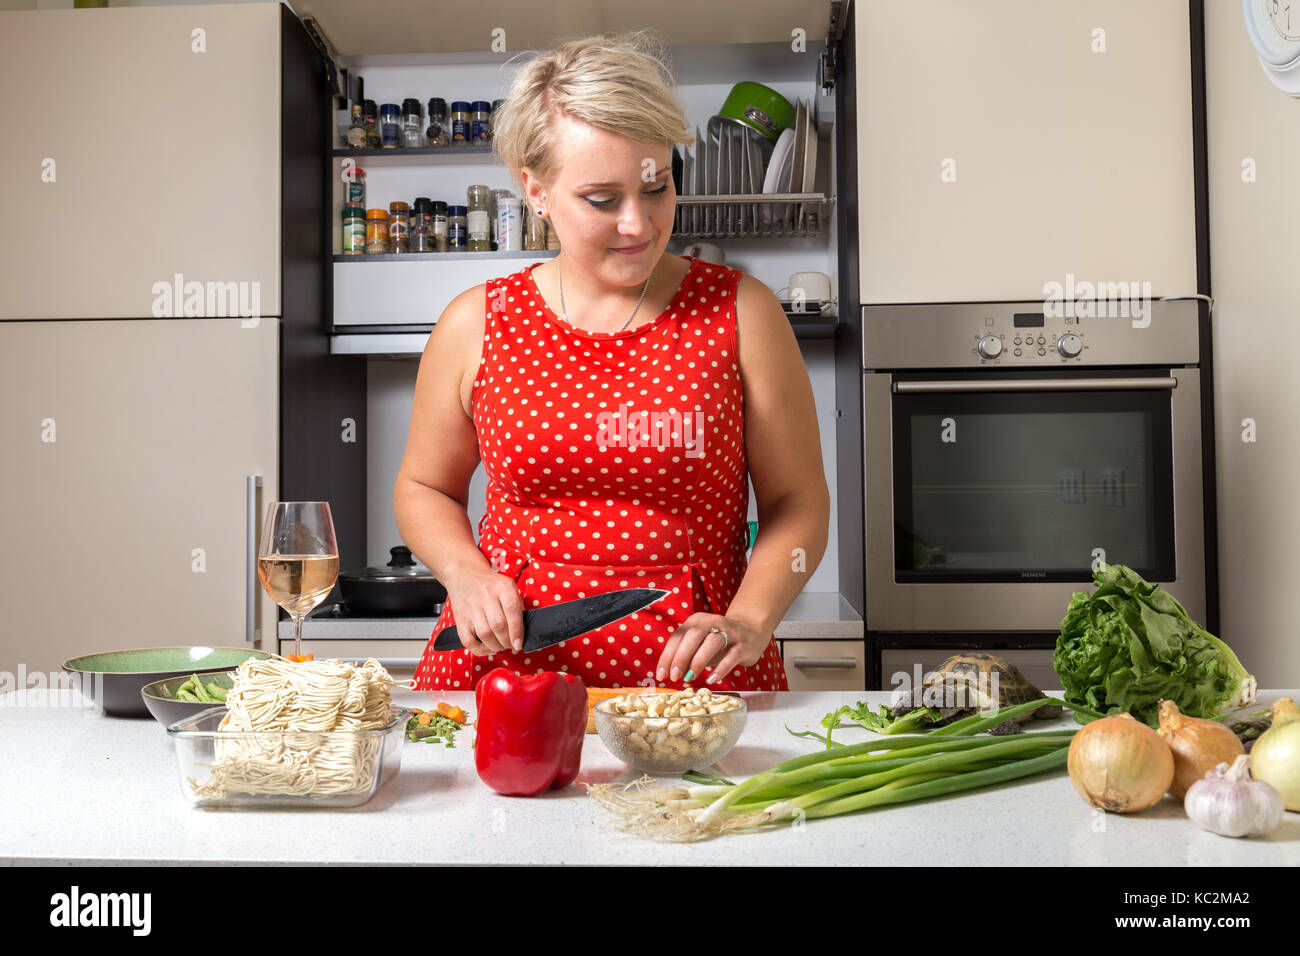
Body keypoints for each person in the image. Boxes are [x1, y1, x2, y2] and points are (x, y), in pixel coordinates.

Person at [396, 31, 829, 693]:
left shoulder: (742, 312)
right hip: (507, 672)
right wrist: (466, 573)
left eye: (656, 188)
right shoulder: (476, 322)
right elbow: (424, 487)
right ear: (535, 189)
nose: (639, 224)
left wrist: (748, 620)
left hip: (697, 682)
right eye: (603, 200)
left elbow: (797, 502)